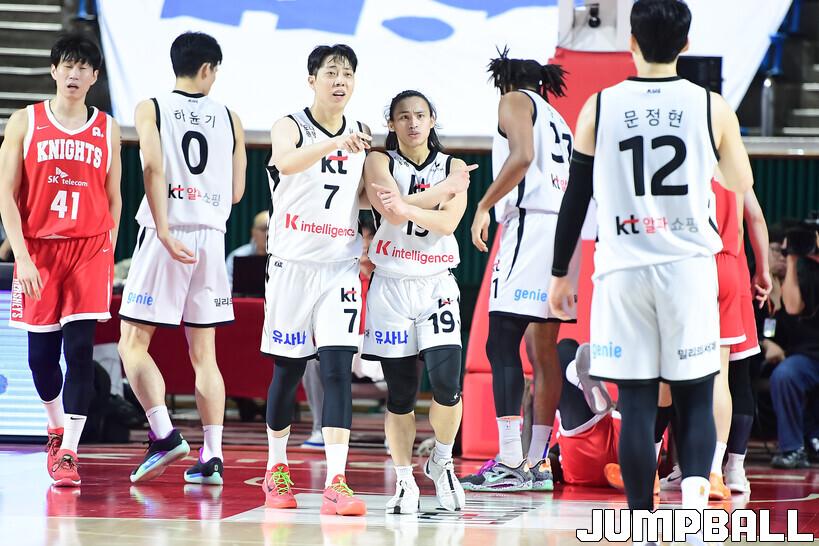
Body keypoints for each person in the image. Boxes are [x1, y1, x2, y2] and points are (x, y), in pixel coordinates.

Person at [548, 0, 754, 517]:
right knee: (695, 395)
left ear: (632, 43)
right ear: (686, 44)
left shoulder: (599, 106)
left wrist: (559, 273)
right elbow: (739, 180)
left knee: (637, 403)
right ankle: (695, 511)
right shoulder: (712, 107)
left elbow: (576, 196)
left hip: (623, 271)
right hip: (688, 270)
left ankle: (641, 520)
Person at [117, 32, 246, 485]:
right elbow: (236, 192)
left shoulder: (150, 107)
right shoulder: (231, 118)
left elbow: (152, 167)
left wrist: (166, 231)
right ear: (208, 68)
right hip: (211, 236)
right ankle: (213, 456)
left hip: (165, 230)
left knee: (132, 342)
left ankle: (164, 433)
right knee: (204, 353)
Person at [0, 33, 121, 486]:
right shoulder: (25, 121)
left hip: (89, 249)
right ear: (53, 71)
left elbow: (114, 196)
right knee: (41, 360)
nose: (74, 74)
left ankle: (69, 450)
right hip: (39, 250)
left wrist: (107, 248)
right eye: (67, 65)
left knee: (80, 349)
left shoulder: (107, 128)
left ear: (94, 76)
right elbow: (6, 193)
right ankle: (54, 426)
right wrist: (22, 256)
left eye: (82, 67)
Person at [261, 44, 372, 516]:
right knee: (287, 370)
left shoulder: (362, 134)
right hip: (292, 265)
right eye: (331, 72)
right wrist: (336, 143)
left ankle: (336, 480)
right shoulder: (289, 125)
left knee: (337, 370)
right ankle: (276, 467)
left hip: (339, 267)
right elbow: (286, 162)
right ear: (312, 80)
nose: (340, 80)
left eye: (347, 73)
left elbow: (364, 195)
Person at [462, 48, 577, 493]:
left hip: (530, 225)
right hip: (564, 232)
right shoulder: (558, 119)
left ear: (506, 82)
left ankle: (511, 460)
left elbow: (523, 156)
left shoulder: (514, 100)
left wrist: (484, 204)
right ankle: (538, 462)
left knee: (501, 341)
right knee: (543, 350)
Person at [363, 89, 473, 513]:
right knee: (401, 394)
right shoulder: (379, 161)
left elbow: (448, 222)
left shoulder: (454, 165)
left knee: (447, 386)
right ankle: (404, 479)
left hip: (436, 284)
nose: (412, 123)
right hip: (391, 286)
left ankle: (441, 461)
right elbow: (390, 214)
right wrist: (441, 192)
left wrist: (405, 205)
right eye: (403, 116)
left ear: (432, 120)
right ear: (391, 123)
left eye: (420, 115)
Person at [769, 223, 819, 468]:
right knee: (785, 374)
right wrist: (791, 259)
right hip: (809, 358)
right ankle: (793, 448)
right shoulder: (804, 268)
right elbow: (791, 306)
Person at [226, 210, 268, 287]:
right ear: (253, 232)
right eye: (263, 229)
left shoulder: (284, 258)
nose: (267, 234)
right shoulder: (237, 256)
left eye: (271, 229)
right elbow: (227, 285)